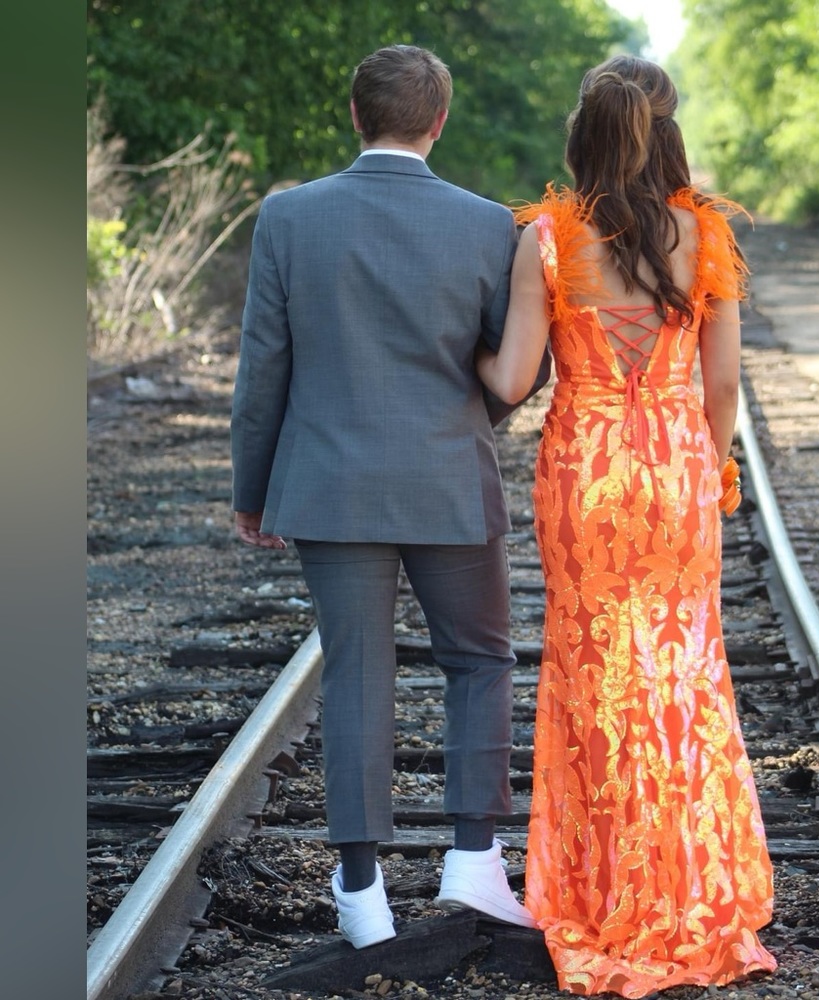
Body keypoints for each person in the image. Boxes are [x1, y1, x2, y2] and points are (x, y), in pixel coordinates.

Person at [230, 44, 549, 950]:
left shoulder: (289, 217)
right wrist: (462, 421)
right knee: (479, 661)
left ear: (355, 114)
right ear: (439, 120)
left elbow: (264, 369)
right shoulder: (490, 226)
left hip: (330, 486)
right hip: (449, 480)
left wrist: (254, 489)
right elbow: (520, 366)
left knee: (356, 672)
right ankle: (474, 860)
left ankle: (362, 892)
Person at [476, 55, 777, 996]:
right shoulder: (706, 233)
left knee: (596, 674)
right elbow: (721, 388)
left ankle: (608, 888)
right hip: (676, 468)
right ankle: (685, 885)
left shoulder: (550, 238)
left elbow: (511, 380)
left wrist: (448, 352)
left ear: (583, 136)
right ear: (665, 132)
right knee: (681, 671)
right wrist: (712, 469)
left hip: (585, 473)